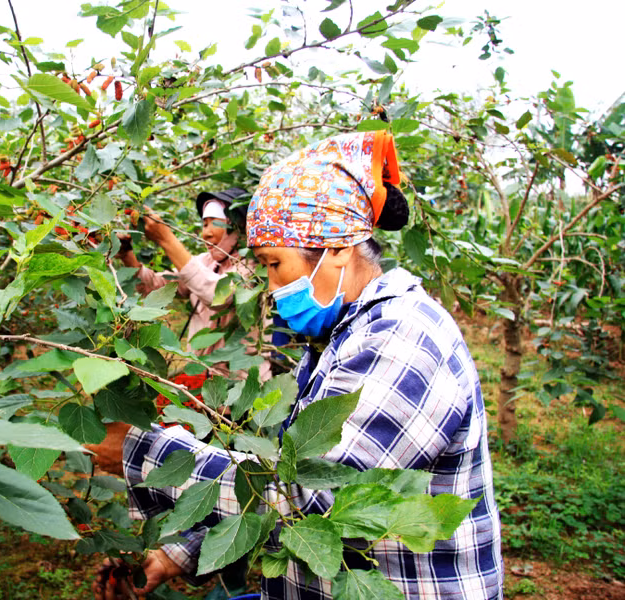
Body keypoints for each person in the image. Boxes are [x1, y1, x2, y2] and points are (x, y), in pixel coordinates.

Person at [88, 131, 503, 599]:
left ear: (339, 248)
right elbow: (293, 480)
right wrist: (178, 553)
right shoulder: (340, 335)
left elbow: (312, 503)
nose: (270, 286)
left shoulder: (403, 339)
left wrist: (140, 451)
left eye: (274, 264)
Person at [117, 187, 273, 381]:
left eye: (214, 222)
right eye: (204, 224)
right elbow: (155, 286)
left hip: (241, 383)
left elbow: (217, 295)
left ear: (238, 226)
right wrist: (127, 255)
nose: (205, 233)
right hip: (203, 378)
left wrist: (167, 239)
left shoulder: (255, 267)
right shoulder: (205, 262)